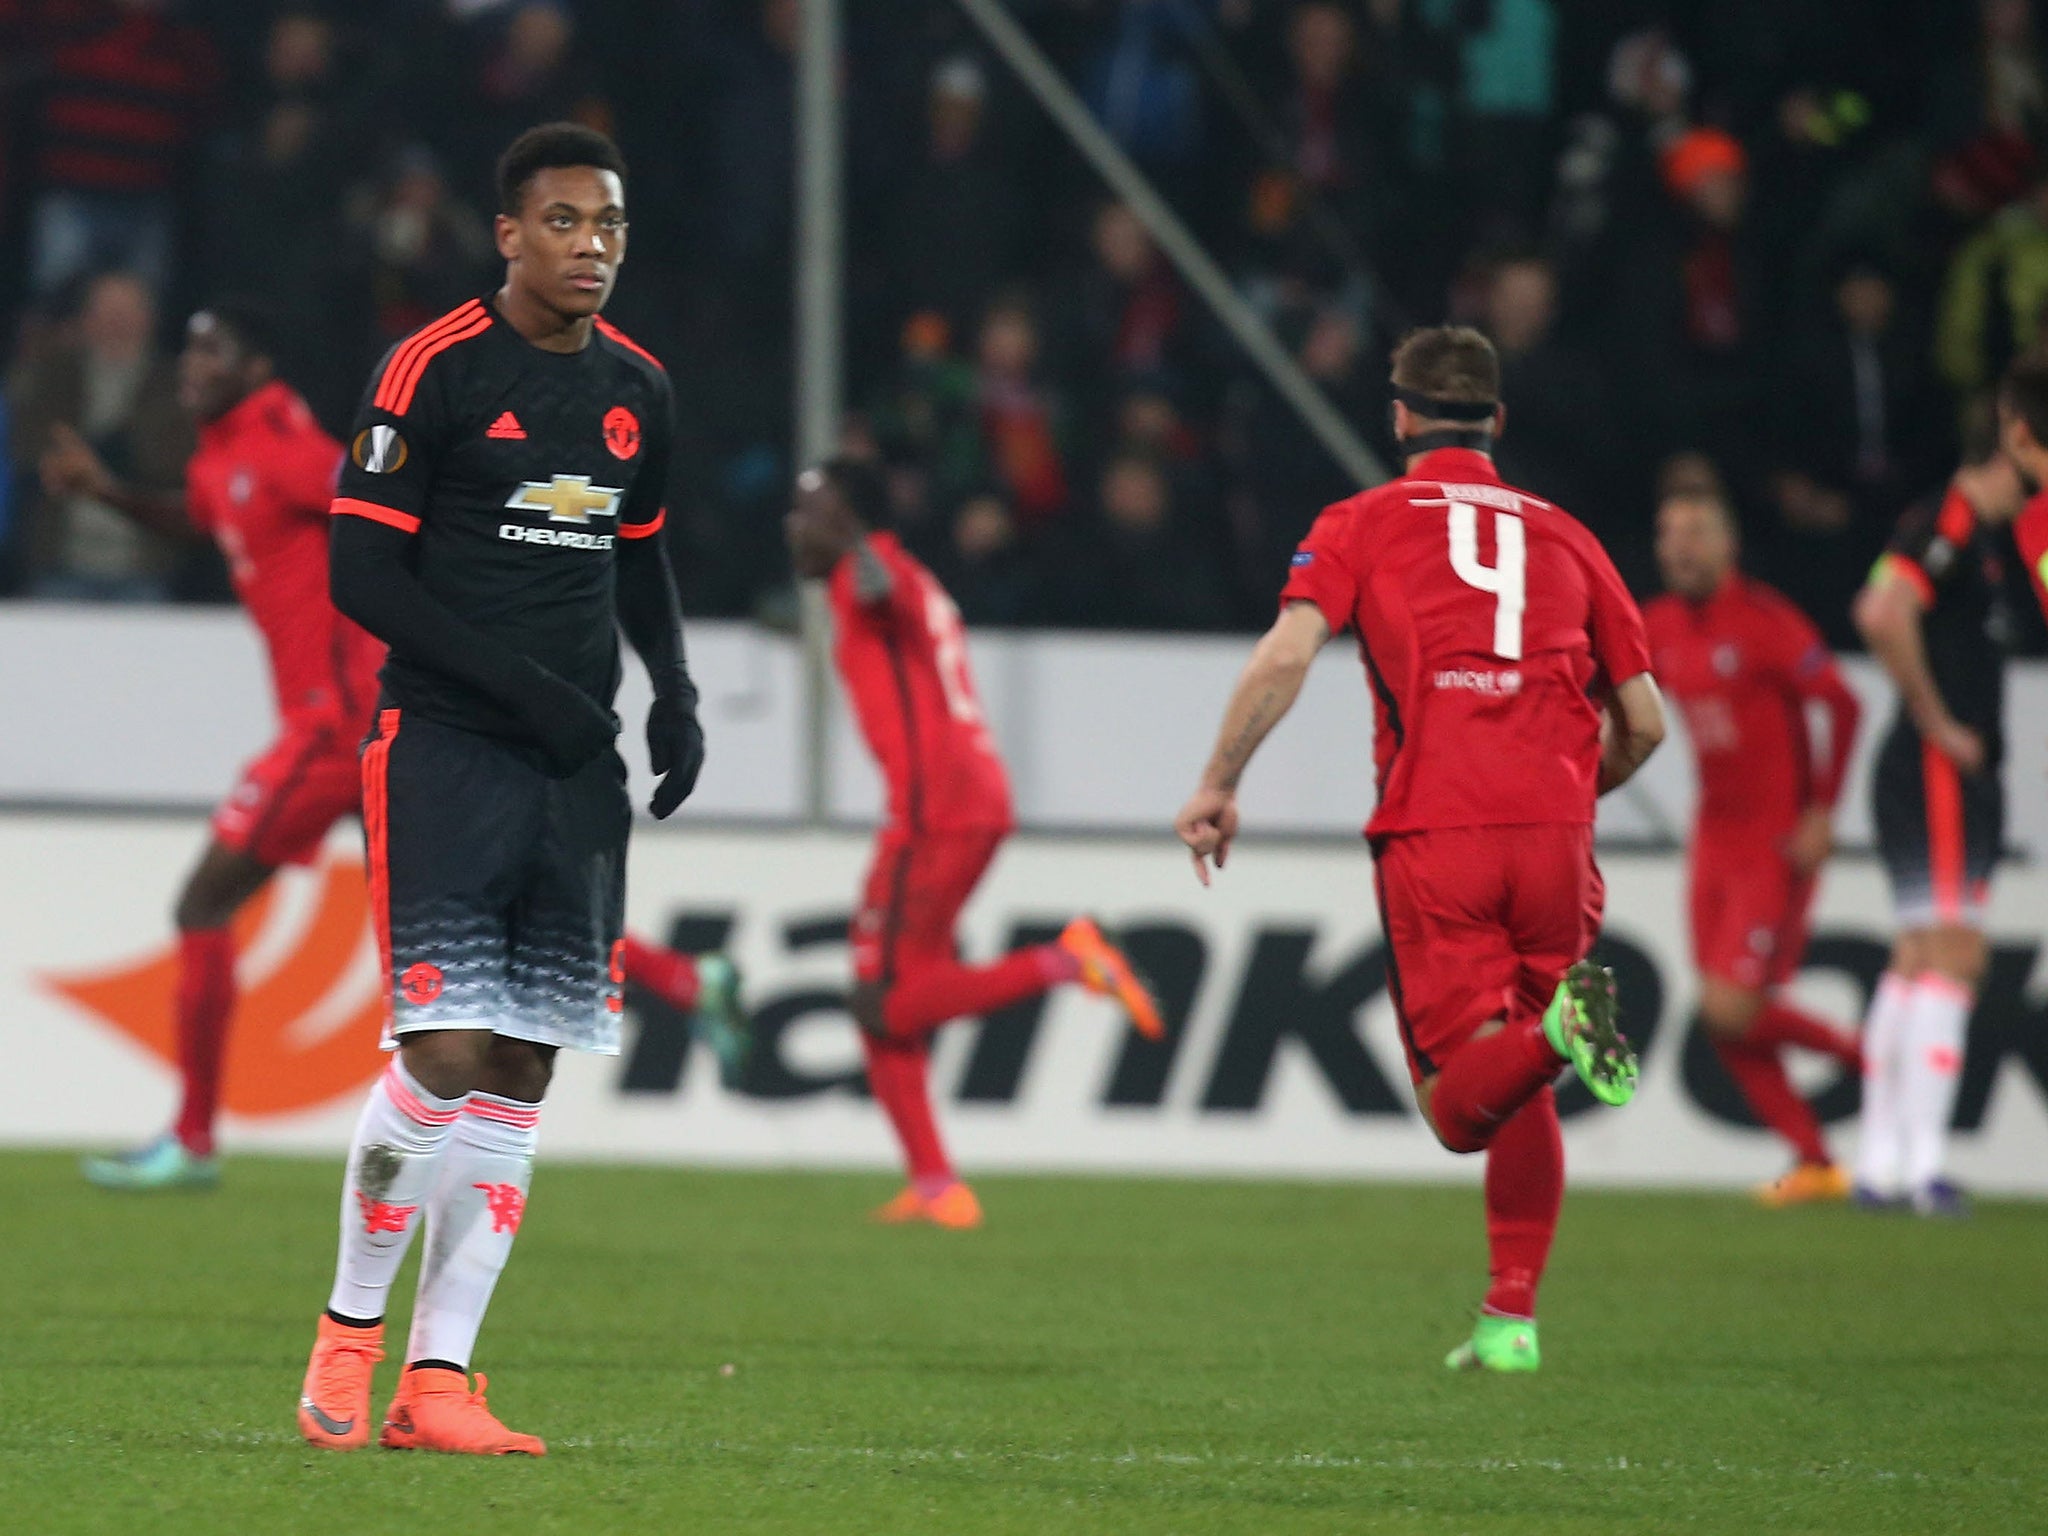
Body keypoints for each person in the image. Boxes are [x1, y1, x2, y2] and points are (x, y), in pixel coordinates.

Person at [297, 123, 704, 1458]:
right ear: (510, 235)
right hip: (445, 745)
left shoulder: (638, 384)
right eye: (570, 222)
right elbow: (362, 579)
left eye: (614, 225)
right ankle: (346, 1342)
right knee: (443, 1051)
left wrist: (678, 695)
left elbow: (637, 559)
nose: (596, 247)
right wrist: (526, 692)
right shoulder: (432, 371)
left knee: (523, 1065)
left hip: (573, 766)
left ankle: (442, 1384)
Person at [1176, 327, 1665, 1375]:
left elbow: (1288, 650)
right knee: (1520, 1076)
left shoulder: (1359, 521)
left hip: (1437, 831)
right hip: (1555, 839)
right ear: (1497, 421)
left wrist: (1219, 781)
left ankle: (1563, 1036)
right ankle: (1509, 1319)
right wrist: (1568, 798)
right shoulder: (1569, 535)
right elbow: (1645, 722)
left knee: (1457, 1108)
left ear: (1395, 416)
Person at [41, 299, 377, 1189]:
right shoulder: (224, 452)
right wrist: (105, 490)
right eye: (186, 350)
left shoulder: (288, 448)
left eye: (212, 353)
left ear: (257, 368)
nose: (191, 367)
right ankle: (682, 981)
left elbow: (378, 510)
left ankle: (192, 1141)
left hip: (336, 729)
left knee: (202, 902)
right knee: (465, 911)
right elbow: (201, 517)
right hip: (360, 726)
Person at [783, 455, 1162, 1229]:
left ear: (850, 520)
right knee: (886, 998)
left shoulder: (872, 571)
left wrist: (857, 541)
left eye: (811, 508)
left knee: (880, 999)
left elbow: (877, 588)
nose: (794, 525)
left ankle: (1068, 958)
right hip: (965, 797)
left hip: (936, 810)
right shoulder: (891, 574)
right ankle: (935, 1185)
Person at [1643, 489, 1865, 1206]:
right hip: (1712, 836)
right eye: (1669, 531)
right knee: (1722, 1020)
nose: (1681, 545)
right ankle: (1814, 1161)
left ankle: (1875, 1061)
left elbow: (1844, 702)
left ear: (1727, 546)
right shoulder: (1659, 625)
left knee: (1731, 1010)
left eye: (1697, 531)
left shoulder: (1764, 621)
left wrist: (1823, 813)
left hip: (1774, 840)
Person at [1851, 416, 2026, 1218]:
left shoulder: (1975, 529)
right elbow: (1882, 611)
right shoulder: (1954, 517)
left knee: (1918, 957)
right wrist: (1939, 724)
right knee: (1953, 957)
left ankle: (1881, 1163)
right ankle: (1921, 1166)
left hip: (1934, 770)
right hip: (1939, 770)